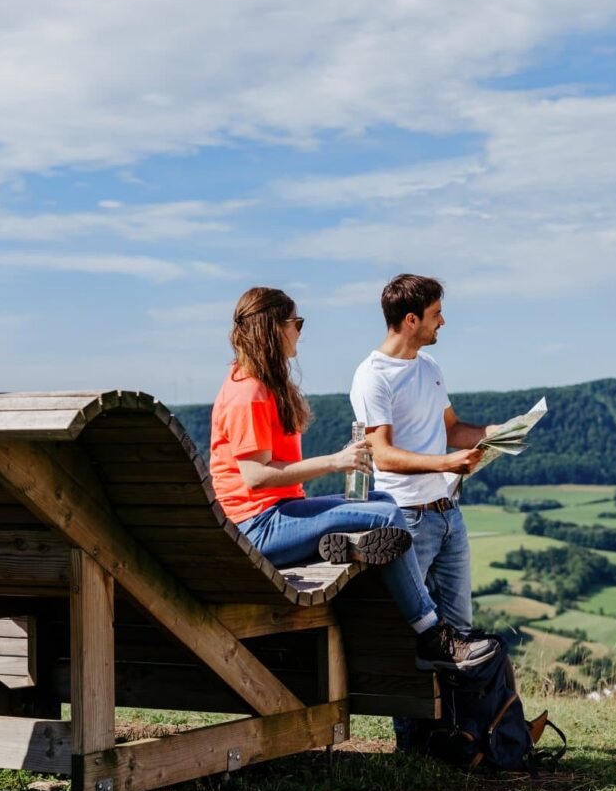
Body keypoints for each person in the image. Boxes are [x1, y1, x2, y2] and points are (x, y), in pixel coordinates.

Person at [208, 287, 496, 672]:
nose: (300, 331)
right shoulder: (250, 393)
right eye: (296, 323)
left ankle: (345, 542)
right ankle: (430, 635)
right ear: (273, 329)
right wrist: (334, 461)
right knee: (385, 516)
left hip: (276, 513)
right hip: (256, 526)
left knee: (385, 503)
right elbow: (256, 477)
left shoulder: (257, 384)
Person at [349, 275, 500, 748]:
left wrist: (495, 433)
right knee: (414, 635)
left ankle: (462, 736)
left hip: (448, 513)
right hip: (407, 519)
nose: (443, 322)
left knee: (460, 633)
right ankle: (411, 742)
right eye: (436, 314)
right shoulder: (372, 376)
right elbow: (383, 454)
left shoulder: (429, 364)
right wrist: (445, 462)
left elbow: (452, 429)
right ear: (411, 320)